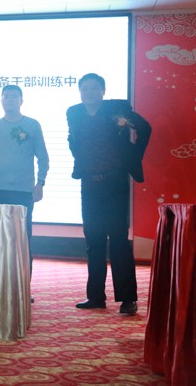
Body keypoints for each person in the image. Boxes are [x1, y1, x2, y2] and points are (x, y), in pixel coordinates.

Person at [67, 73, 151, 316]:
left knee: (118, 240)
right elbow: (74, 140)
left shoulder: (116, 109)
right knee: (93, 240)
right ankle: (96, 296)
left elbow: (145, 128)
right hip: (89, 183)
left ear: (103, 90)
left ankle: (128, 299)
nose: (89, 92)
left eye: (94, 88)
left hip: (115, 182)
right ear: (80, 91)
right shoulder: (74, 112)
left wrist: (133, 156)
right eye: (85, 88)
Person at [0, 85, 49, 280]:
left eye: (13, 96)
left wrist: (40, 183)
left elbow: (43, 157)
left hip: (23, 190)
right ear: (1, 100)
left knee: (22, 239)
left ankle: (23, 285)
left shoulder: (32, 125)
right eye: (6, 96)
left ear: (21, 101)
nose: (9, 100)